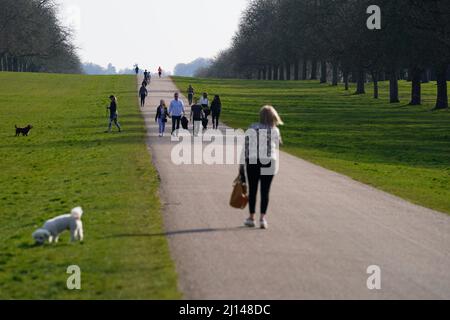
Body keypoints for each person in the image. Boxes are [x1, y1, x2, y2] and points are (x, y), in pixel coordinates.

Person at [241, 105, 283, 229]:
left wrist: (241, 164)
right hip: (269, 161)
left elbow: (246, 146)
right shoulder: (274, 130)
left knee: (253, 190)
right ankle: (262, 218)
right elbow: (279, 143)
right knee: (265, 191)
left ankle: (251, 217)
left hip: (253, 160)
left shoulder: (253, 127)